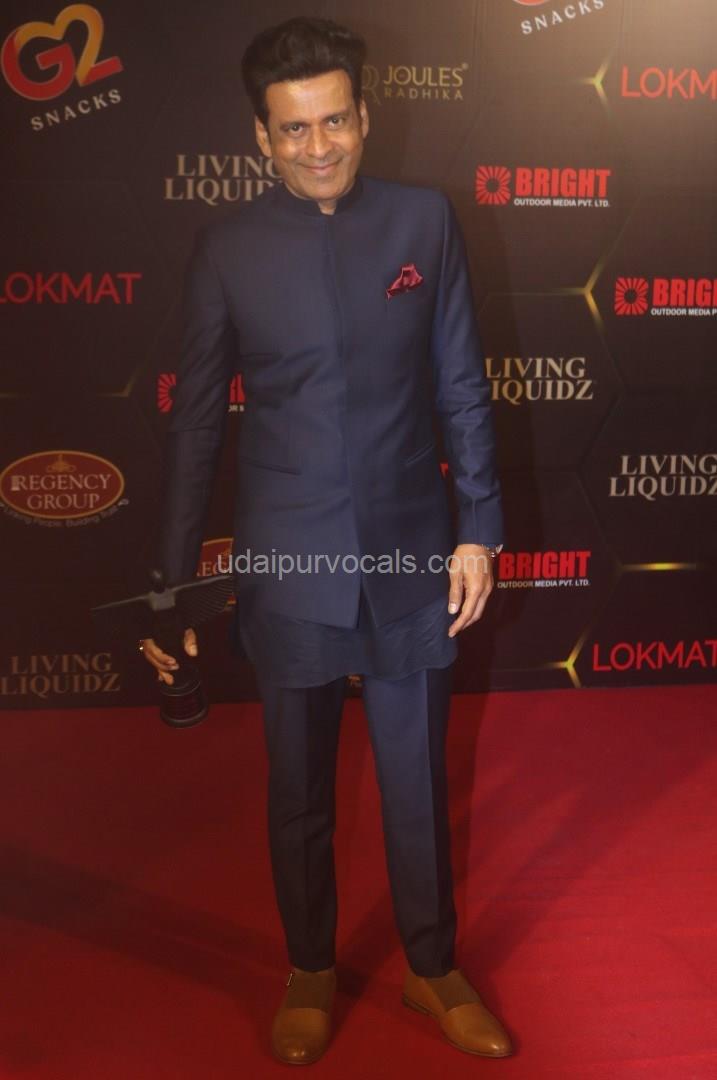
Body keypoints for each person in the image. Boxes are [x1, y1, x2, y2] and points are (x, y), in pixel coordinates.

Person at [141, 16, 511, 1065]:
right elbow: (196, 424)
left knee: (415, 781)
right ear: (261, 137)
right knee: (298, 788)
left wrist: (479, 530)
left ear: (364, 116)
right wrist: (171, 586)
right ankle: (309, 966)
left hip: (411, 554)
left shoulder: (423, 221)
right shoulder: (226, 248)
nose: (319, 146)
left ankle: (431, 968)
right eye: (294, 129)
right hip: (288, 560)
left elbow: (461, 385)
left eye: (335, 121)